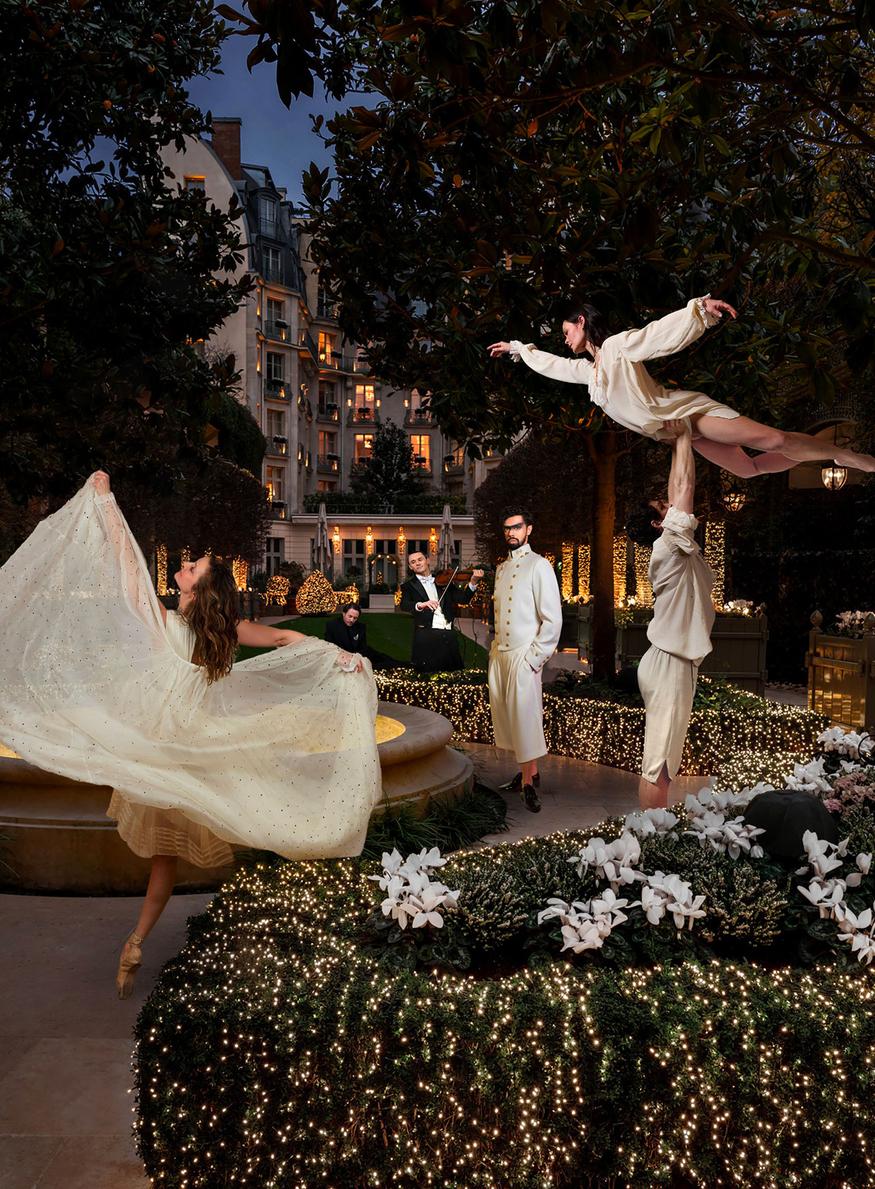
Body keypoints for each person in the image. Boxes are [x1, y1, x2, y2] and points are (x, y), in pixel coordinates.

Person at [0, 472, 380, 998]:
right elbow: (285, 635)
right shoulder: (211, 630)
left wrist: (107, 504)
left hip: (171, 747)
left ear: (200, 587)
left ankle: (149, 941)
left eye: (193, 566)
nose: (183, 565)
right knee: (210, 834)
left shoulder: (172, 624)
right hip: (189, 748)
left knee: (182, 850)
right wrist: (336, 654)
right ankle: (153, 940)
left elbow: (126, 564)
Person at [488, 296, 875, 477]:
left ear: (581, 322)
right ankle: (825, 453)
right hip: (676, 433)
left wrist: (698, 313)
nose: (564, 338)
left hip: (686, 415)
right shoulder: (593, 373)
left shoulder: (616, 347)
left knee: (771, 441)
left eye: (566, 330)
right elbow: (555, 366)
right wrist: (519, 350)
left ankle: (843, 455)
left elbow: (656, 336)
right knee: (748, 469)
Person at [625, 423, 715, 810]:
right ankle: (650, 843)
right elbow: (684, 488)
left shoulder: (674, 547)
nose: (672, 504)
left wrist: (682, 439)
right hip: (668, 664)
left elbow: (678, 491)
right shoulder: (669, 546)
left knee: (664, 760)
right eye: (665, 508)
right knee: (658, 764)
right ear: (658, 524)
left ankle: (652, 835)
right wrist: (682, 435)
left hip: (670, 661)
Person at [488, 507, 562, 813]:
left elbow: (553, 619)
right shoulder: (501, 569)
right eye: (507, 529)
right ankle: (527, 773)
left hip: (523, 654)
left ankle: (530, 784)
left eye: (516, 527)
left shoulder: (540, 566)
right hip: (501, 654)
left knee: (526, 718)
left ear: (528, 529)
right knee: (509, 718)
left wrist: (535, 658)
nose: (511, 533)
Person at [399, 551, 484, 672]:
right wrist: (421, 605)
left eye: (420, 559)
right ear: (410, 567)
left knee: (454, 675)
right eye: (413, 562)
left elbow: (464, 599)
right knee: (427, 676)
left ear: (427, 560)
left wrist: (473, 582)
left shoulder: (444, 580)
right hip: (426, 635)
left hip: (448, 633)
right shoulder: (408, 586)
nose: (417, 563)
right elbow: (404, 605)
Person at [325, 602, 397, 670]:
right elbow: (330, 647)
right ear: (344, 614)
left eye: (355, 618)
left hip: (361, 653)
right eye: (350, 616)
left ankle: (401, 664)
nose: (352, 620)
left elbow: (363, 646)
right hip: (343, 656)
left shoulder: (361, 627)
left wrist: (358, 657)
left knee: (385, 659)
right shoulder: (332, 625)